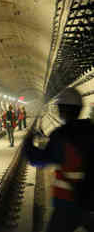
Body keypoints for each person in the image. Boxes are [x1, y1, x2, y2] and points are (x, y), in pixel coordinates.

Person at [24, 87, 94, 232]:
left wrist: (28, 143)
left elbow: (38, 160)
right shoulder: (91, 130)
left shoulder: (61, 135)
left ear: (62, 110)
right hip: (90, 200)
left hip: (67, 202)